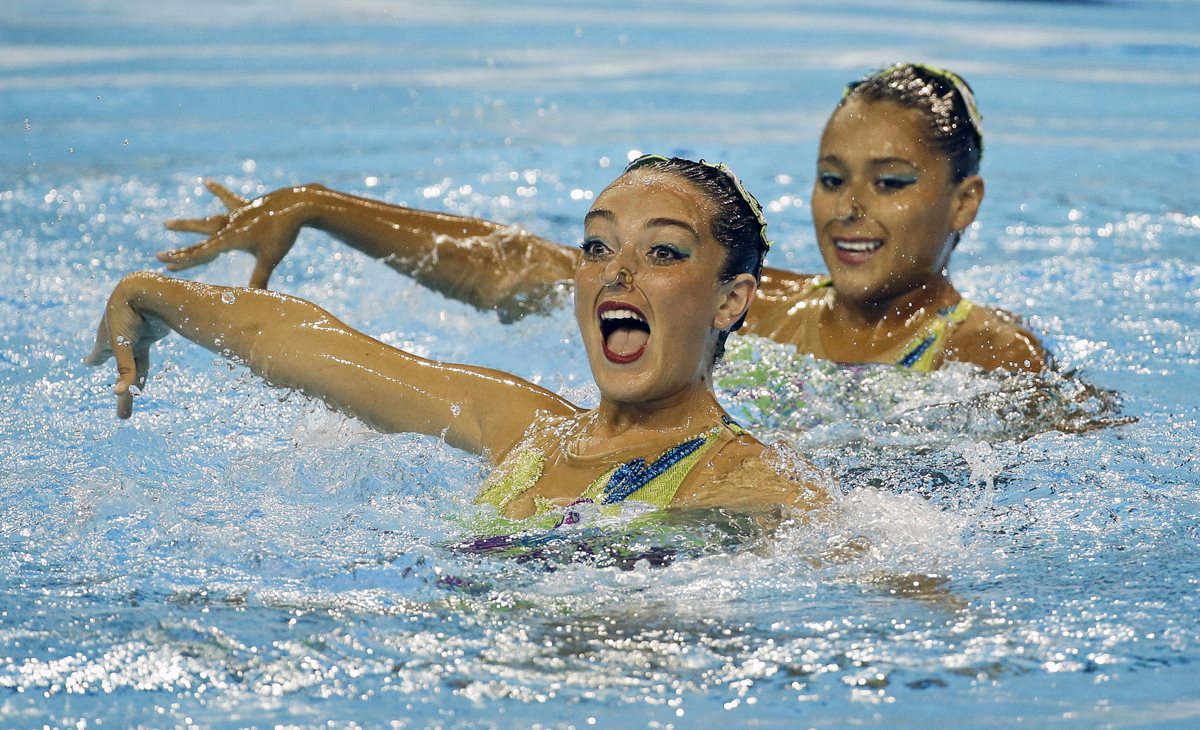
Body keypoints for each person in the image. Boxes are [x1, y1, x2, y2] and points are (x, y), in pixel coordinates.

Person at [157, 64, 1049, 374]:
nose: (849, 210)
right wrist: (319, 207)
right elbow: (518, 271)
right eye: (830, 178)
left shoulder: (988, 353)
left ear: (963, 201)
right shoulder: (757, 304)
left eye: (890, 182)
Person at [87, 155, 830, 521]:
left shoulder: (746, 481)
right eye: (598, 248)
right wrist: (152, 294)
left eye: (663, 253)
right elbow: (312, 345)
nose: (617, 275)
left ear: (731, 301)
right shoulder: (522, 428)